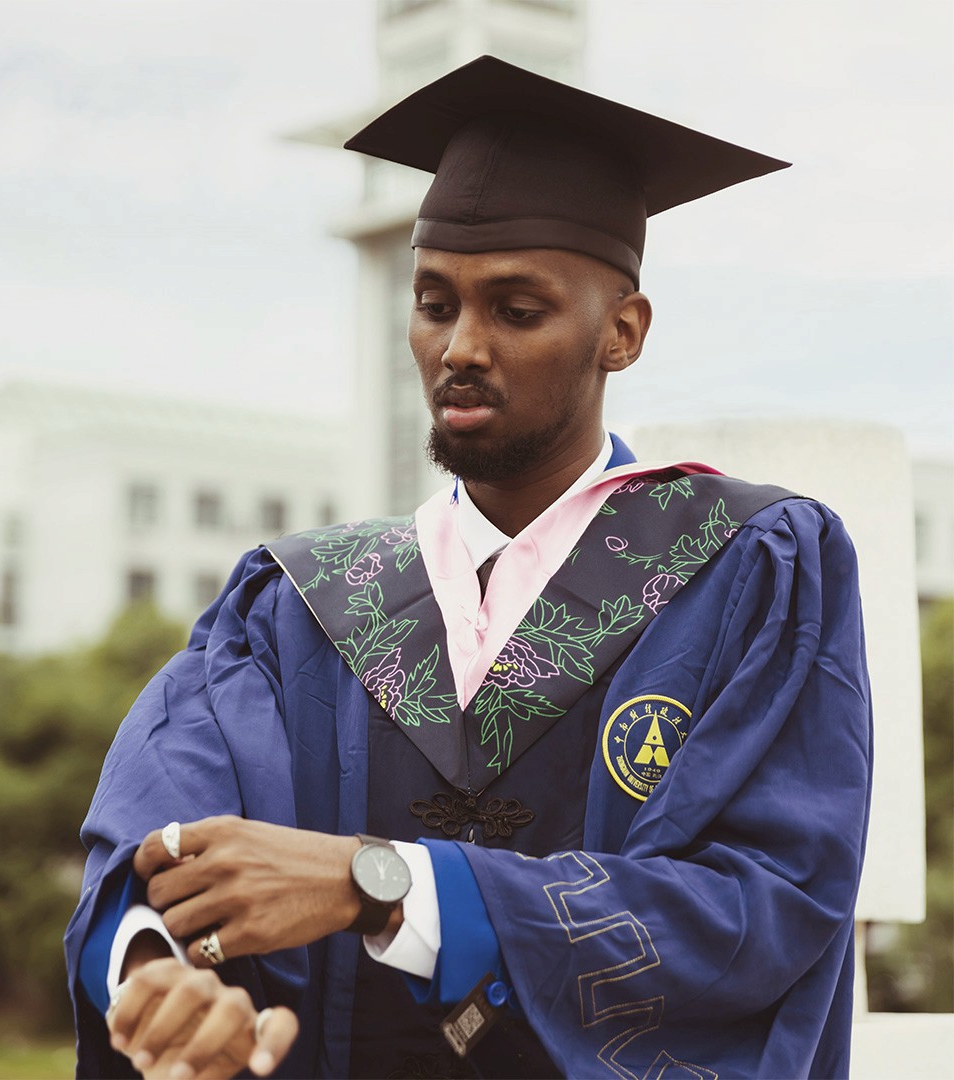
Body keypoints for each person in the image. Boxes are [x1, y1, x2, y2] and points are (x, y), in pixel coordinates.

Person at [65, 57, 872, 1080]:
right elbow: (160, 828)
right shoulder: (300, 604)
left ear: (621, 332)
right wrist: (156, 970)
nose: (460, 347)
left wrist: (390, 884)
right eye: (435, 304)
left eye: (517, 311)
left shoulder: (748, 569)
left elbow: (766, 905)